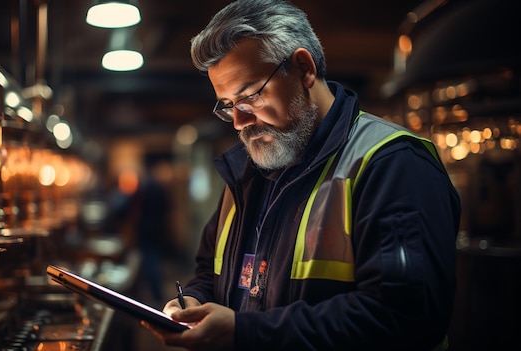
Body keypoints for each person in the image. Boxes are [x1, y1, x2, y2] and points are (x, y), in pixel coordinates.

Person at [143, 0, 461, 350]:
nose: (239, 122)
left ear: (303, 68)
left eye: (250, 97)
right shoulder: (248, 174)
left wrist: (246, 331)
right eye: (229, 105)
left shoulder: (393, 163)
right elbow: (209, 272)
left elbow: (405, 318)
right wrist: (191, 302)